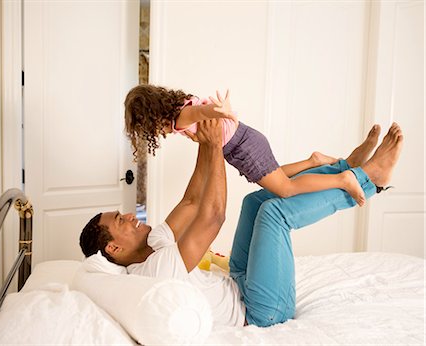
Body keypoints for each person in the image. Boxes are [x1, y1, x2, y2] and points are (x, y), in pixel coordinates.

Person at [79, 120, 403, 328]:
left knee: (254, 202)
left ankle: (344, 168)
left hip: (239, 280)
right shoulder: (152, 273)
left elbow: (192, 201)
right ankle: (369, 180)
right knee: (275, 214)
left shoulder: (153, 241)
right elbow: (212, 216)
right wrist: (217, 146)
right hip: (261, 311)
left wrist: (206, 144)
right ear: (114, 247)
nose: (131, 216)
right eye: (121, 220)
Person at [124, 84, 379, 206]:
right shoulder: (179, 107)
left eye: (149, 127)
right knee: (276, 176)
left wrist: (220, 110)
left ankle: (343, 180)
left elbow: (202, 112)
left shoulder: (181, 117)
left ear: (153, 116)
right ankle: (314, 161)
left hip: (241, 147)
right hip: (244, 141)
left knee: (286, 189)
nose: (155, 132)